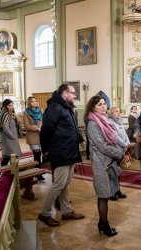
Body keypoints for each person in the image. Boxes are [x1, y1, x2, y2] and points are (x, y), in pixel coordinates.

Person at [38, 84, 85, 227]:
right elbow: (45, 129)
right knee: (58, 184)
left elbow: (72, 127)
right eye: (73, 93)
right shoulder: (55, 107)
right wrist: (45, 149)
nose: (75, 96)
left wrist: (80, 139)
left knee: (65, 183)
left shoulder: (66, 107)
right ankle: (44, 213)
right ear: (65, 93)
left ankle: (66, 211)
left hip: (69, 150)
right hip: (61, 151)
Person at [86, 95, 126, 237]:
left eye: (104, 104)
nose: (103, 107)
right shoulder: (93, 124)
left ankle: (102, 223)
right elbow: (102, 146)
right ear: (92, 108)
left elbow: (114, 138)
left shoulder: (105, 120)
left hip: (109, 162)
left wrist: (123, 147)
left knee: (107, 195)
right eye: (99, 105)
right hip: (101, 164)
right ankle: (104, 224)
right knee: (103, 196)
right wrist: (119, 154)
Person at [108, 106, 129, 200]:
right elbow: (115, 137)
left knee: (118, 172)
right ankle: (111, 192)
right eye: (116, 111)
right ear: (111, 113)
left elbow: (124, 134)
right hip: (115, 149)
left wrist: (127, 143)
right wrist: (124, 144)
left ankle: (117, 190)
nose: (118, 113)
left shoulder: (119, 122)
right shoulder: (110, 122)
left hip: (122, 149)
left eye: (119, 111)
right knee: (112, 172)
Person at [23, 96, 44, 180]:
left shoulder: (41, 110)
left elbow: (45, 120)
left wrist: (42, 128)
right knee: (37, 154)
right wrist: (36, 128)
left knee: (40, 154)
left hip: (41, 135)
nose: (35, 102)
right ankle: (38, 173)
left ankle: (38, 171)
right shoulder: (26, 113)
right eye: (32, 101)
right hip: (32, 136)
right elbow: (26, 125)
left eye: (35, 101)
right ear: (29, 103)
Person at [0, 99, 22, 166]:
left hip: (12, 136)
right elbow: (5, 127)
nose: (11, 107)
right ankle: (4, 172)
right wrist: (12, 136)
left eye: (12, 105)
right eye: (9, 105)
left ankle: (12, 172)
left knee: (11, 156)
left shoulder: (11, 113)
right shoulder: (5, 113)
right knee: (10, 155)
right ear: (5, 106)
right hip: (9, 137)